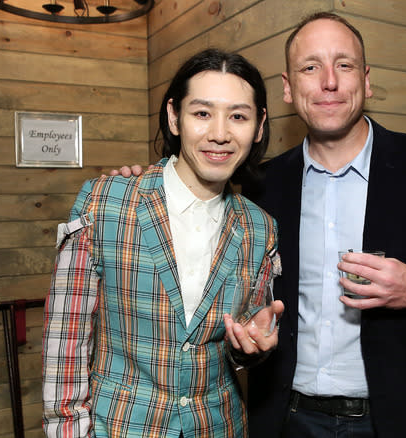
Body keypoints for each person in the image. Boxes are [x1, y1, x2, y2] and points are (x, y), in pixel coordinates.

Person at [113, 12, 406, 438]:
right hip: (288, 420)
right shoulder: (258, 185)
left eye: (345, 65)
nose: (329, 81)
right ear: (288, 88)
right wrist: (144, 185)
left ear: (366, 80)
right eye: (311, 67)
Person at [42, 48, 284, 438]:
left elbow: (243, 344)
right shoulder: (107, 201)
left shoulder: (261, 228)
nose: (220, 133)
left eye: (238, 116)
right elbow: (65, 340)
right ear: (174, 117)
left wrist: (249, 349)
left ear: (258, 126)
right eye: (202, 113)